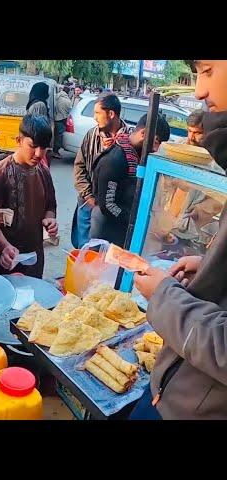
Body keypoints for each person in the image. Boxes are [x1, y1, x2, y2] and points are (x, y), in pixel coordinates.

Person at [130, 59, 227, 420]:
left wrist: (163, 295)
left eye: (208, 70)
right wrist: (211, 265)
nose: (200, 90)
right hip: (174, 385)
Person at [0, 114, 57, 278]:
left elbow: (50, 206)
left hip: (33, 258)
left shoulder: (43, 171)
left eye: (44, 148)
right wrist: (6, 247)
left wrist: (50, 220)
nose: (38, 153)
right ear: (18, 140)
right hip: (3, 257)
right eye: (33, 146)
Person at [89, 114, 170, 246]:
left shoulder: (136, 157)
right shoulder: (115, 160)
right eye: (155, 142)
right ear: (144, 133)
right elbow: (108, 205)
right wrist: (135, 219)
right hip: (106, 230)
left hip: (123, 230)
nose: (155, 149)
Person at [71, 93, 131, 248]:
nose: (95, 118)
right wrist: (90, 197)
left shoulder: (129, 140)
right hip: (87, 202)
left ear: (111, 114)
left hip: (112, 208)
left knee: (106, 252)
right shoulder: (92, 135)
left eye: (98, 113)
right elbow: (79, 167)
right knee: (84, 248)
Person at [54, 84, 72, 156]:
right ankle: (56, 150)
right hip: (62, 119)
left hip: (55, 118)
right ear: (68, 92)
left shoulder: (56, 97)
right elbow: (69, 111)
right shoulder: (67, 101)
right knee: (59, 135)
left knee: (56, 135)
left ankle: (54, 149)